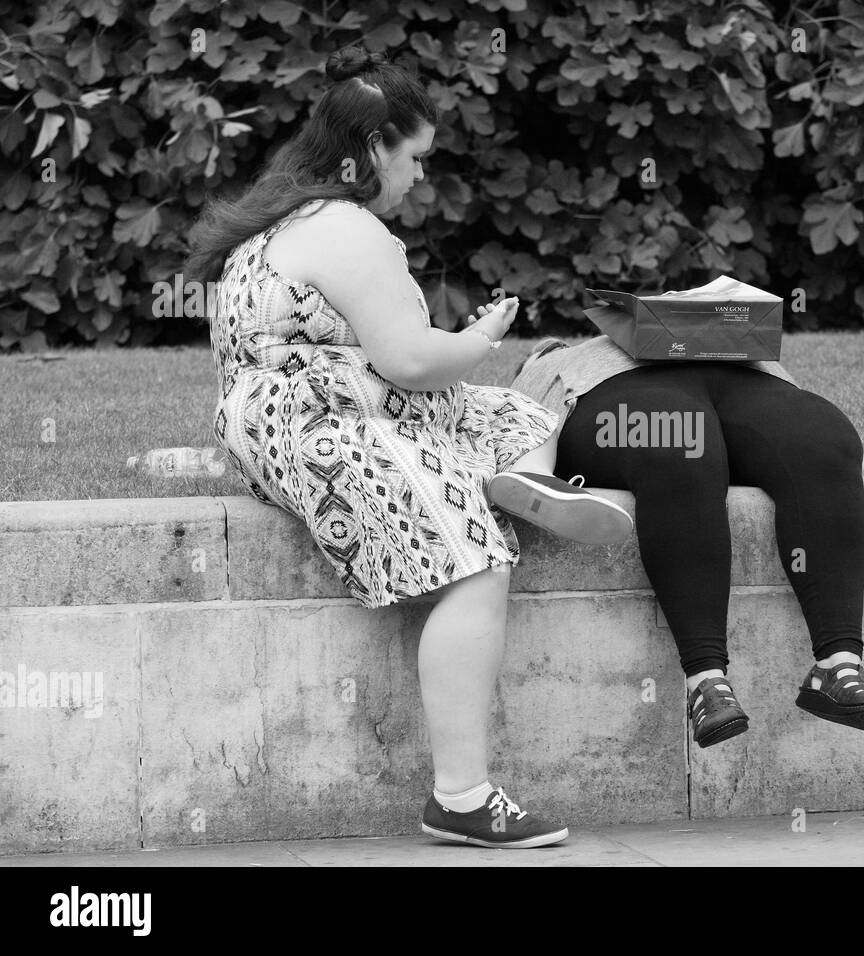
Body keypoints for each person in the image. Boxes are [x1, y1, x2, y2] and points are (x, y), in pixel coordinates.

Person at [186, 46, 632, 849]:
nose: (421, 177)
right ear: (370, 153)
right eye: (416, 158)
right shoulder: (351, 231)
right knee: (477, 561)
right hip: (322, 427)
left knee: (512, 416)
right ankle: (460, 797)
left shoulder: (288, 211)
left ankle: (518, 476)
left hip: (292, 417)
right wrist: (483, 335)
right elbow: (416, 364)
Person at [508, 332, 864, 747]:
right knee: (680, 442)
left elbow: (762, 444)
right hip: (626, 398)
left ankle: (838, 669)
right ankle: (706, 682)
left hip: (738, 374)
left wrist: (861, 463)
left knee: (822, 438)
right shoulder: (562, 368)